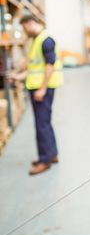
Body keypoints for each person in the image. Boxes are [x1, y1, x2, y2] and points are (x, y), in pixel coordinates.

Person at [8, 14, 63, 175]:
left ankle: (44, 160)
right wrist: (17, 74)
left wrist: (42, 89)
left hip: (42, 89)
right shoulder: (36, 39)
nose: (24, 32)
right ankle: (52, 154)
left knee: (41, 125)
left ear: (30, 23)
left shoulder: (46, 40)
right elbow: (31, 63)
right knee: (45, 122)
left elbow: (49, 65)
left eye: (24, 28)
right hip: (37, 86)